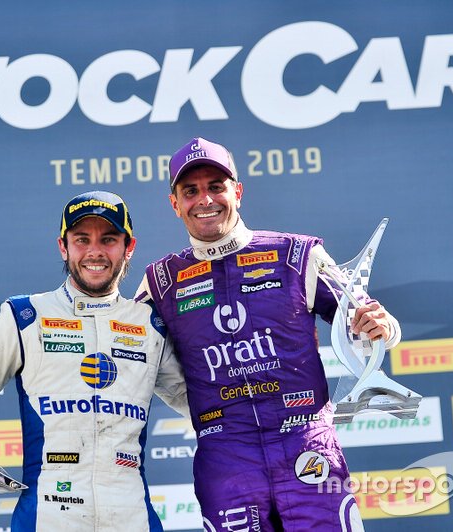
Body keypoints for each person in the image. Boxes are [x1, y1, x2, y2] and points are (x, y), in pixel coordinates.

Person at [136, 137, 402, 531]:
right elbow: (130, 354)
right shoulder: (161, 281)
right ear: (175, 204)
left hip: (307, 444)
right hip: (226, 456)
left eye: (216, 186)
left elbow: (369, 324)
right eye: (190, 191)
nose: (205, 199)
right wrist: (196, 408)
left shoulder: (296, 254)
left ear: (237, 192)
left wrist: (382, 328)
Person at [0, 191, 188, 531]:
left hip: (131, 515)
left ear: (128, 246)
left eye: (108, 239)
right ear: (63, 246)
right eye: (81, 239)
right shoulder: (25, 315)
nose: (95, 251)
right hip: (46, 515)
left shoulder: (150, 325)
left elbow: (198, 404)